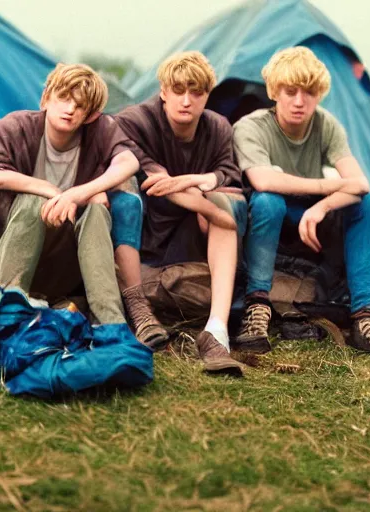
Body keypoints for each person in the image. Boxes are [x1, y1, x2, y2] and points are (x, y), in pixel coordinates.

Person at [233, 47, 370, 357]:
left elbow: (361, 184)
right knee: (269, 201)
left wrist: (321, 206)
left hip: (308, 219)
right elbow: (263, 180)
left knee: (367, 206)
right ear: (274, 92)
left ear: (319, 94)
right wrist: (327, 187)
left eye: (309, 92)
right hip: (267, 220)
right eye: (291, 91)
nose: (300, 101)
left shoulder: (326, 124)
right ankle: (256, 307)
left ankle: (365, 317)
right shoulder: (252, 127)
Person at [112, 51, 247, 376]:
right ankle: (129, 311)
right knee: (125, 196)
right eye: (178, 90)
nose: (186, 100)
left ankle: (216, 331)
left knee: (227, 201)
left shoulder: (217, 127)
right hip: (144, 231)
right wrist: (200, 201)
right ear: (163, 91)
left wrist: (198, 183)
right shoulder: (135, 120)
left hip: (192, 236)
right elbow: (151, 179)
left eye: (196, 92)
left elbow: (228, 173)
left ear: (207, 95)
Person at [0, 63, 139, 327]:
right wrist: (52, 191)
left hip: (67, 264)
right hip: (11, 252)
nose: (70, 109)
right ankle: (8, 308)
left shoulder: (99, 131)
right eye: (63, 98)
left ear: (90, 116)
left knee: (98, 209)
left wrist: (80, 194)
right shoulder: (14, 127)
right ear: (45, 99)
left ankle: (109, 322)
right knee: (33, 199)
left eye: (80, 105)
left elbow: (129, 162)